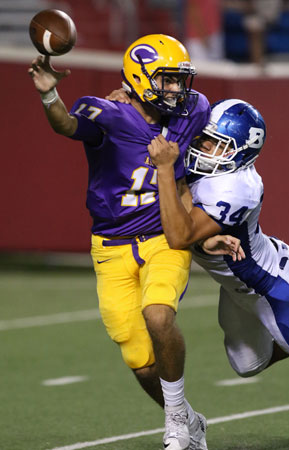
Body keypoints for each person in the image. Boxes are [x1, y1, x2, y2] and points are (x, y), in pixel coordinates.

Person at [28, 33, 224, 450]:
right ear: (137, 79)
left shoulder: (194, 109)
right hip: (111, 245)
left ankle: (174, 423)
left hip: (163, 238)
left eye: (178, 80)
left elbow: (199, 163)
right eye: (166, 80)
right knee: (138, 359)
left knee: (158, 316)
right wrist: (49, 96)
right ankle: (188, 417)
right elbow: (66, 124)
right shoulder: (108, 115)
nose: (176, 89)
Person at [147, 98, 289, 382]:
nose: (203, 146)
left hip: (274, 285)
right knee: (247, 364)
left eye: (216, 143)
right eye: (204, 137)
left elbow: (179, 235)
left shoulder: (237, 188)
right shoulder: (203, 166)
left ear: (240, 152)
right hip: (236, 286)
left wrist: (166, 170)